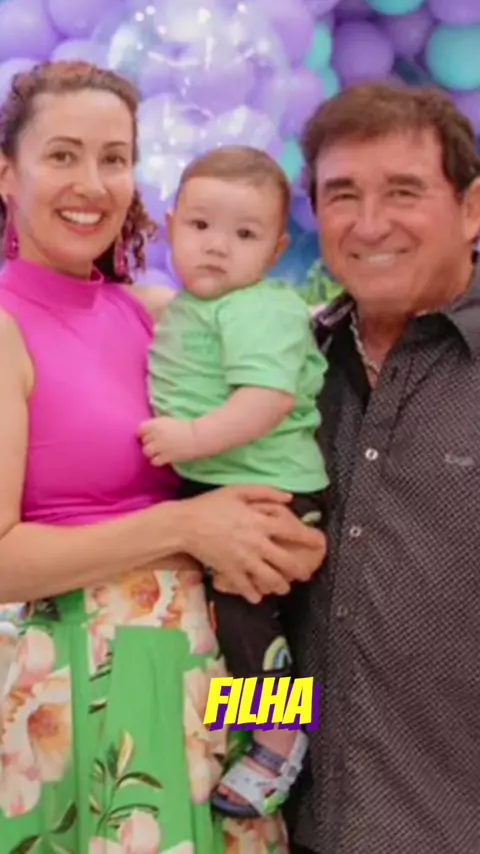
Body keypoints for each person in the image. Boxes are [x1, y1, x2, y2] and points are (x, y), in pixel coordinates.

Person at [0, 61, 326, 854]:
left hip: (209, 681)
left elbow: (262, 436)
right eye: (63, 154)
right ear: (7, 173)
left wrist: (288, 540)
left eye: (114, 158)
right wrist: (187, 528)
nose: (92, 183)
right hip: (77, 685)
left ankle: (278, 739)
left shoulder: (159, 315)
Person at [285, 82, 480, 854]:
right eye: (342, 194)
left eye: (403, 191)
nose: (370, 224)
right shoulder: (287, 374)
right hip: (288, 832)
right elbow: (268, 628)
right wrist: (251, 749)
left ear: (472, 209)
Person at [139, 145, 328, 819]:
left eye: (244, 234)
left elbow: (267, 400)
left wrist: (191, 438)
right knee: (224, 617)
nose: (218, 247)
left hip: (269, 489)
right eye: (200, 227)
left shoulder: (261, 310)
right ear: (170, 226)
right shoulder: (192, 305)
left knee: (243, 611)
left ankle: (280, 737)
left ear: (276, 250)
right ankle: (245, 724)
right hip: (222, 484)